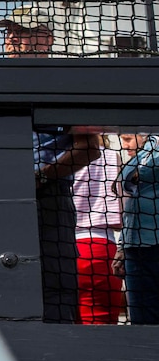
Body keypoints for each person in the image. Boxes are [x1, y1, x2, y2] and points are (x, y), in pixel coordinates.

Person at [0, 6, 103, 323]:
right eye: (10, 31)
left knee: (55, 283)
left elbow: (89, 148)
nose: (13, 37)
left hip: (48, 198)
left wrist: (40, 178)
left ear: (46, 39)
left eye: (23, 31)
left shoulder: (67, 85)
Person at [71, 138, 124, 324]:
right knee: (101, 328)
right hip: (101, 248)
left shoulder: (61, 157)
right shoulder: (111, 157)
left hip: (62, 248)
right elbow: (121, 212)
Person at [114, 133, 159, 324]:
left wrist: (152, 141)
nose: (124, 146)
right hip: (136, 247)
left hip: (153, 246)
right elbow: (124, 182)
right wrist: (122, 246)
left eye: (127, 138)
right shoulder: (145, 154)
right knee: (141, 323)